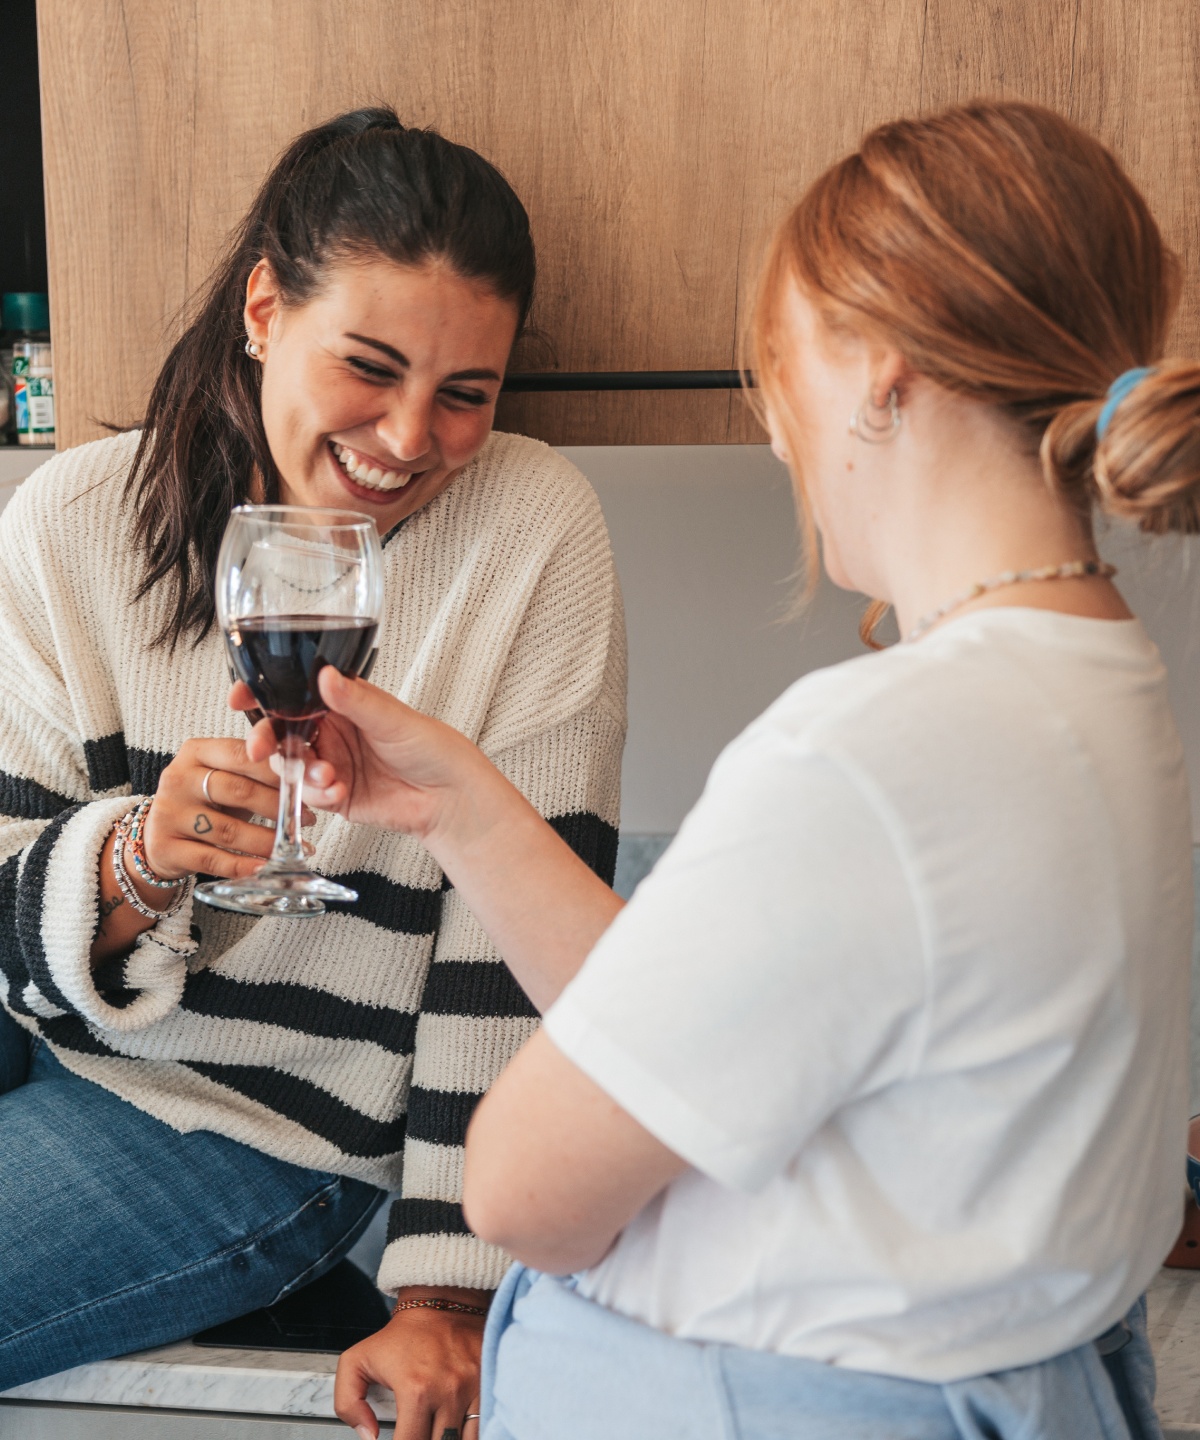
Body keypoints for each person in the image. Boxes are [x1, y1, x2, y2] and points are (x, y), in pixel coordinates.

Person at [277, 102, 1200, 1439]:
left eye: (783, 371)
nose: (780, 435)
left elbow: (524, 1192)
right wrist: (460, 808)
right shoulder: (1111, 690)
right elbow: (696, 1037)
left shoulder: (869, 754)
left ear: (882, 369)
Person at [0, 107, 626, 1440]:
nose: (410, 438)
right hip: (56, 1068)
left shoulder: (530, 527)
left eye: (467, 392)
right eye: (373, 367)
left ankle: (288, 1273)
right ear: (266, 308)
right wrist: (136, 859)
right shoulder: (71, 522)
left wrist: (450, 1292)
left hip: (260, 1137)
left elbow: (515, 958)